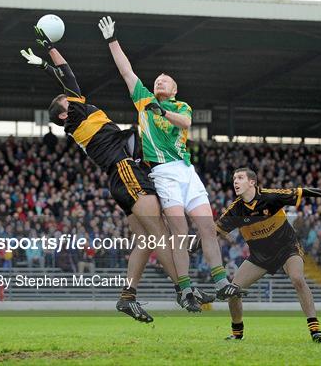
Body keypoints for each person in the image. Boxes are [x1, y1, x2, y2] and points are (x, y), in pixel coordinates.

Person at [20, 28, 213, 323]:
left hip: (120, 176)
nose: (71, 99)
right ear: (63, 115)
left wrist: (48, 57)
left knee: (145, 240)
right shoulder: (74, 115)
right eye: (66, 101)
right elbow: (67, 75)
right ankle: (184, 288)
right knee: (159, 233)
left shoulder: (77, 112)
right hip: (125, 170)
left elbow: (67, 77)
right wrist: (49, 56)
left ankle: (128, 297)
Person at [98, 16, 244, 309]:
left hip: (187, 172)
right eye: (156, 80)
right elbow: (126, 71)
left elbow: (185, 121)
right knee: (180, 232)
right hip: (162, 173)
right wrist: (112, 40)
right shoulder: (143, 100)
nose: (158, 81)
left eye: (164, 80)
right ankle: (187, 289)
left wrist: (160, 111)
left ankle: (221, 282)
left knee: (206, 227)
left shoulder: (179, 106)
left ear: (174, 90)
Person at [215, 168, 321, 342]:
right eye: (234, 178)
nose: (235, 181)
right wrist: (190, 246)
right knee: (233, 291)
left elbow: (302, 191)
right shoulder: (235, 210)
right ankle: (237, 334)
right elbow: (213, 233)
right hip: (259, 256)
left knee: (297, 278)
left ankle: (315, 331)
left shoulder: (271, 197)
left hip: (287, 248)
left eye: (240, 178)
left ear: (252, 182)